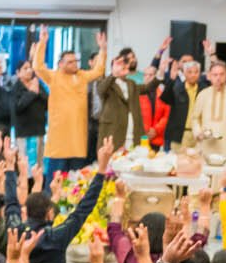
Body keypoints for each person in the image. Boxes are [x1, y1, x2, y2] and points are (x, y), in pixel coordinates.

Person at [30, 28, 107, 177]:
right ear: (61, 64)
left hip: (77, 136)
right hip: (59, 138)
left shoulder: (82, 76)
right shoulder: (54, 77)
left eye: (76, 61)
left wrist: (102, 49)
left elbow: (98, 71)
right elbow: (38, 67)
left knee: (74, 178)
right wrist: (43, 42)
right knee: (55, 178)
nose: (75, 64)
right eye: (70, 62)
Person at [183, 58, 226, 155]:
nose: (218, 78)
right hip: (206, 144)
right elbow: (195, 118)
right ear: (209, 76)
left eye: (221, 74)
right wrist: (198, 133)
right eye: (215, 75)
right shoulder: (203, 94)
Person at [93, 46, 145, 153]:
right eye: (119, 65)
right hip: (113, 133)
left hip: (131, 132)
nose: (122, 67)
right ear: (113, 67)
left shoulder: (131, 83)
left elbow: (148, 88)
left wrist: (160, 73)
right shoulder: (107, 83)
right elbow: (100, 90)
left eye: (124, 64)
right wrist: (114, 75)